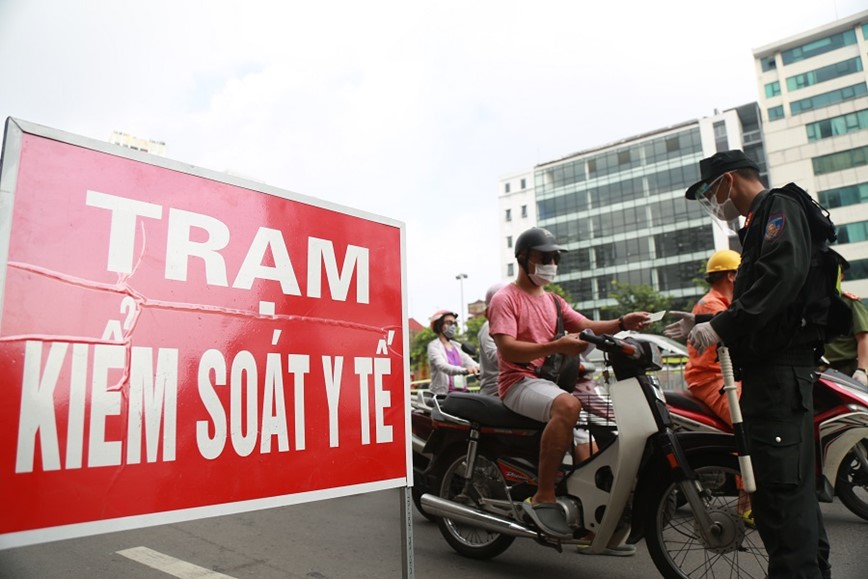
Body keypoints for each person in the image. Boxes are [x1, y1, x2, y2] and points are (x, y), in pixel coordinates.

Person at [683, 150, 831, 579]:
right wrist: (702, 322)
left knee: (780, 501)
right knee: (791, 499)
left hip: (778, 378)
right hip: (777, 377)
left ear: (729, 180)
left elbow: (779, 280)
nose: (714, 202)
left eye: (712, 192)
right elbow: (766, 304)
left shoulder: (777, 208)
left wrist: (722, 327)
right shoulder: (759, 223)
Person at [487, 226, 650, 541]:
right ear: (523, 258)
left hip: (548, 384)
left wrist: (621, 323)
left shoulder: (554, 302)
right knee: (568, 404)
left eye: (554, 257)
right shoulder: (506, 298)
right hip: (518, 382)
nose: (551, 263)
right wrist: (556, 346)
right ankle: (543, 495)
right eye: (544, 257)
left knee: (595, 424)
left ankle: (590, 514)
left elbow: (588, 326)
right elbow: (507, 348)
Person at [668, 249, 743, 426]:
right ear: (731, 276)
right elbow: (738, 330)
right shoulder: (711, 305)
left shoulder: (725, 304)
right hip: (712, 379)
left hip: (726, 376)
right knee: (748, 425)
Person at [823, 261, 868, 385]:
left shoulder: (850, 302)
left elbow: (863, 337)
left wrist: (862, 370)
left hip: (846, 368)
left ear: (841, 276)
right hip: (822, 368)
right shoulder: (817, 303)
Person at [426, 310, 479, 396]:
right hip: (443, 396)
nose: (453, 326)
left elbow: (469, 362)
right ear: (439, 325)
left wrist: (480, 368)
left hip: (462, 394)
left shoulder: (457, 346)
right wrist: (465, 370)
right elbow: (443, 366)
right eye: (449, 323)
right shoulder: (433, 346)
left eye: (454, 323)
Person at [478, 281, 509, 396]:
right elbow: (493, 355)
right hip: (495, 389)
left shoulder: (512, 324)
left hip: (511, 384)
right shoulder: (488, 326)